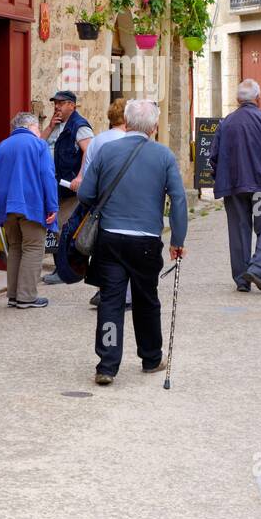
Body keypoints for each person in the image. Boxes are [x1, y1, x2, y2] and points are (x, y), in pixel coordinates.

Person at [77, 99, 187, 386]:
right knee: (146, 299)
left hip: (110, 238)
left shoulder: (107, 151)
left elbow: (86, 194)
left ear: (126, 122)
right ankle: (151, 358)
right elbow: (178, 199)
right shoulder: (163, 156)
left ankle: (108, 365)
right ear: (153, 127)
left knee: (111, 300)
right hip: (147, 241)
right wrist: (178, 239)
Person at [210, 79, 261, 292]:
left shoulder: (226, 123)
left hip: (235, 188)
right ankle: (258, 268)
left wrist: (221, 178)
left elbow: (214, 157)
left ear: (237, 100)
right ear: (258, 98)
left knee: (239, 230)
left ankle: (242, 279)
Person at [0, 112, 58, 310]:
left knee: (15, 247)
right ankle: (27, 297)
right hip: (30, 203)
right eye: (38, 128)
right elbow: (47, 176)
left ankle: (14, 295)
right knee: (33, 247)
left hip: (5, 205)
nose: (39, 132)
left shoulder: (1, 146)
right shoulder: (39, 145)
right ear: (32, 126)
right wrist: (52, 205)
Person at [82, 98, 130, 310]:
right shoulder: (129, 142)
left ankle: (104, 288)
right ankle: (121, 293)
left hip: (100, 203)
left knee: (102, 249)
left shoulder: (97, 140)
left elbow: (87, 175)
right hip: (124, 202)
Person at [43, 89, 93, 284]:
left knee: (64, 229)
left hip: (70, 189)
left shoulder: (79, 126)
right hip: (55, 187)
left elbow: (89, 152)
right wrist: (48, 127)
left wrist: (80, 176)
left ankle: (64, 270)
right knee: (56, 228)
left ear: (72, 105)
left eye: (61, 103)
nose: (57, 106)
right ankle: (63, 268)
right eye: (55, 103)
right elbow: (38, 145)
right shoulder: (57, 126)